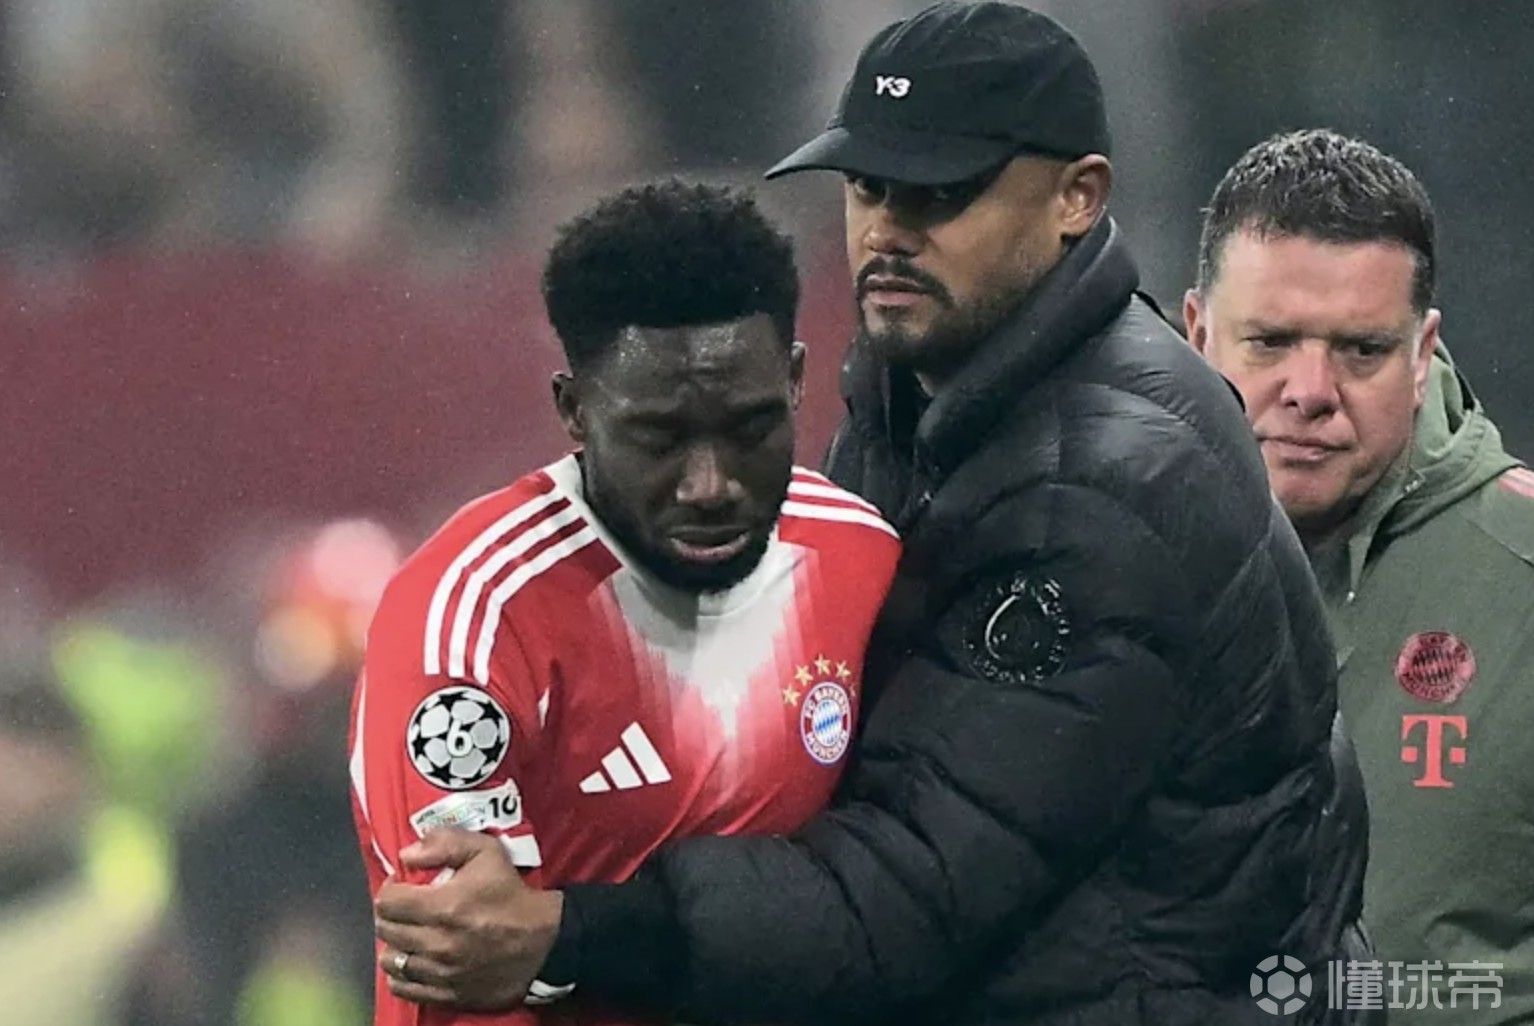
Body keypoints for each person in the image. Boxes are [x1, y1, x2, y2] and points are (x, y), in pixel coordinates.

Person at [372, 4, 1371, 1024]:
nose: (889, 231)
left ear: (1077, 197)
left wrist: (568, 929)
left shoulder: (1103, 484)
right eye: (868, 187)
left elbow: (905, 892)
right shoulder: (924, 393)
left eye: (941, 194)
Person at [348, 178, 902, 1025]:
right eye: (658, 438)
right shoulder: (471, 618)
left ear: (795, 380)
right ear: (574, 410)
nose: (710, 485)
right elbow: (467, 958)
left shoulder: (862, 559)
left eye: (748, 428)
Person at [1184, 127, 1534, 1024]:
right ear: (1196, 332)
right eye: (1270, 342)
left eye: (1361, 350)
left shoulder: (1522, 581)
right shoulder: (1099, 552)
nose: (1310, 389)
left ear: (1422, 354)